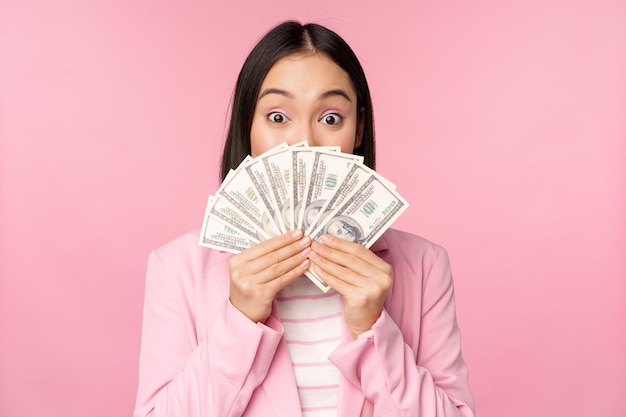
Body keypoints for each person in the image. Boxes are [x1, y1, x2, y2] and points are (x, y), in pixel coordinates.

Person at [134, 20, 476, 417]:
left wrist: (373, 330)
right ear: (248, 125)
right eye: (278, 117)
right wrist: (240, 320)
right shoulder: (176, 268)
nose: (304, 143)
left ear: (359, 127)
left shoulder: (423, 267)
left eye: (330, 118)